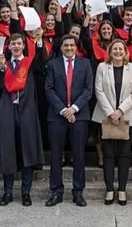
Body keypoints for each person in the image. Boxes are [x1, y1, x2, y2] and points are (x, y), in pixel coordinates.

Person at [0, 33, 47, 206]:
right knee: (8, 151)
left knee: (27, 151)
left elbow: (41, 63)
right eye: (13, 44)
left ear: (23, 45)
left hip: (26, 111)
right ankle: (7, 192)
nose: (16, 47)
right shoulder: (4, 65)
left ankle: (26, 192)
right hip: (8, 111)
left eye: (19, 43)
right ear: (8, 47)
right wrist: (1, 70)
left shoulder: (30, 64)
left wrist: (39, 41)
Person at [45, 34, 94, 207]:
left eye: (72, 45)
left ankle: (78, 192)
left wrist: (74, 108)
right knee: (56, 156)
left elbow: (88, 90)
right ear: (61, 47)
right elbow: (49, 89)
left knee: (79, 155)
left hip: (79, 115)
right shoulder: (53, 64)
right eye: (65, 45)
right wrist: (64, 110)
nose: (69, 48)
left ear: (76, 47)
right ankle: (56, 191)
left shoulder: (85, 63)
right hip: (57, 116)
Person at [93, 39, 132, 206]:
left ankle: (121, 189)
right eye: (115, 49)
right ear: (110, 51)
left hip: (126, 116)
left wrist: (119, 111)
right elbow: (98, 90)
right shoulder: (101, 67)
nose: (118, 52)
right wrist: (110, 112)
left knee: (124, 155)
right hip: (105, 116)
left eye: (121, 49)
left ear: (125, 51)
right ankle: (109, 189)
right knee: (108, 155)